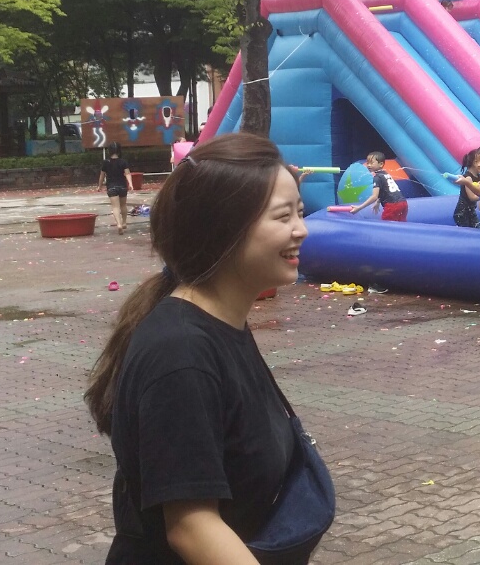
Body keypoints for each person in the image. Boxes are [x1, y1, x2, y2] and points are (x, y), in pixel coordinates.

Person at [84, 133, 329, 564]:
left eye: (300, 212)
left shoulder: (223, 325)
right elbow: (192, 527)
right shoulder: (180, 354)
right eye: (283, 216)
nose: (301, 229)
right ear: (224, 229)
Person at [350, 151, 408, 221]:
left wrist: (359, 208)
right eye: (367, 163)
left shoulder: (377, 177)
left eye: (372, 163)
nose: (369, 165)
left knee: (387, 225)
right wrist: (378, 201)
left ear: (381, 164)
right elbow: (387, 190)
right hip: (403, 203)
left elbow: (374, 196)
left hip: (392, 205)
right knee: (401, 225)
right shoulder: (385, 174)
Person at [452, 146, 480, 228]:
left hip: (472, 210)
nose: (479, 165)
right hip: (463, 211)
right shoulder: (468, 177)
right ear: (473, 163)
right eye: (476, 162)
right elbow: (473, 197)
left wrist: (466, 182)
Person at [100, 146, 135, 234]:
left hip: (111, 187)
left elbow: (102, 175)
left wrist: (99, 186)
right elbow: (127, 173)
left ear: (109, 151)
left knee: (115, 207)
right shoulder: (123, 162)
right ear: (119, 151)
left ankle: (119, 224)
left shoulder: (106, 162)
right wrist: (130, 184)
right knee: (123, 205)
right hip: (122, 186)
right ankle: (124, 222)